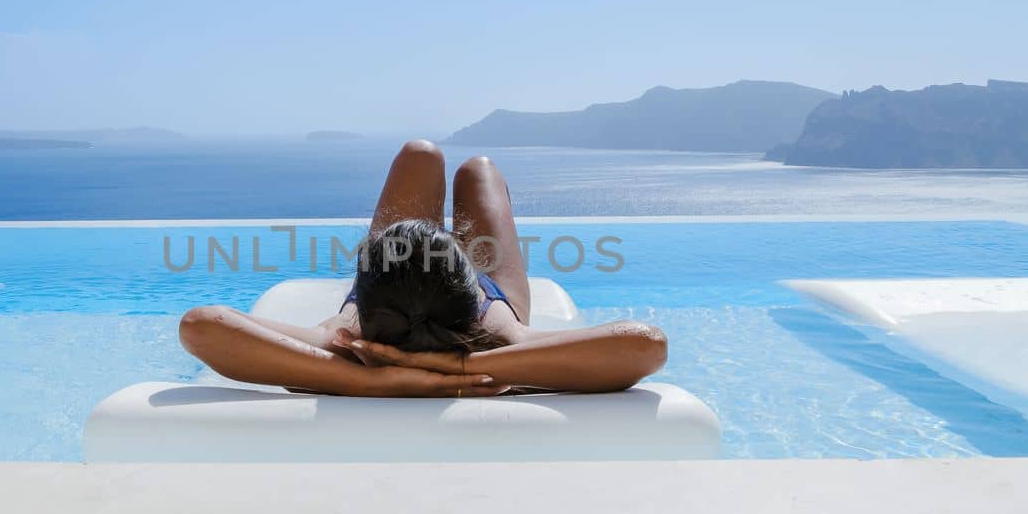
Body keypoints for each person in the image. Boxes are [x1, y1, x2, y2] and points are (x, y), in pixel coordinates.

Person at [178, 140, 668, 397]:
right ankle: (456, 215)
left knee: (420, 154)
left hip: (396, 316)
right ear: (466, 284)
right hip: (479, 314)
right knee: (479, 171)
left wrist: (370, 381)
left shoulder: (345, 346)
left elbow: (202, 326)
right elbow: (645, 345)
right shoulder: (503, 342)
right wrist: (461, 367)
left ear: (362, 298)